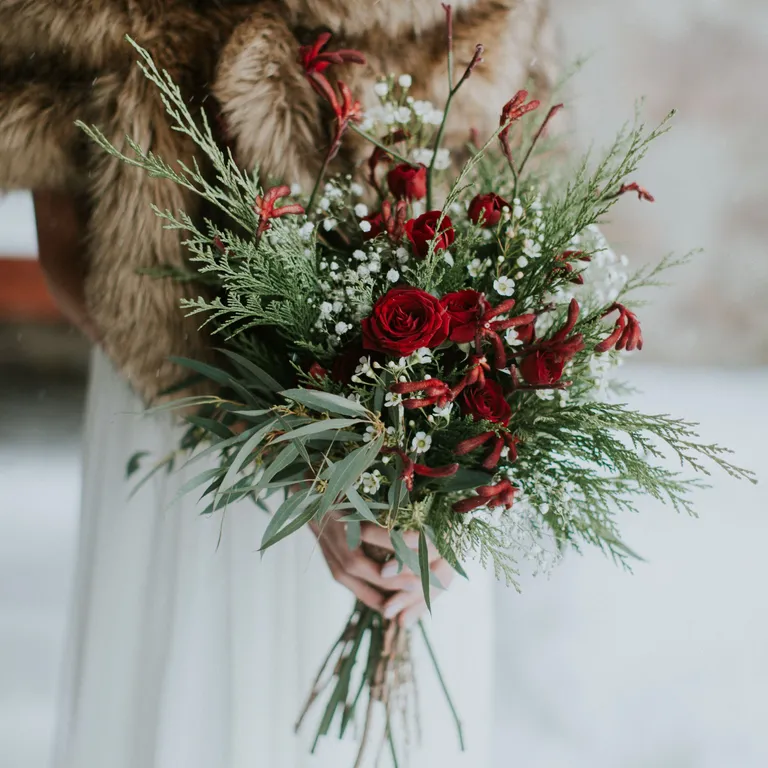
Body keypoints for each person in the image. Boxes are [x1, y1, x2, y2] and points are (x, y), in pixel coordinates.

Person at [7, 3, 557, 766]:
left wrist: (446, 470)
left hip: (414, 449)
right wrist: (287, 453)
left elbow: (517, 192)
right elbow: (66, 243)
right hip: (184, 418)